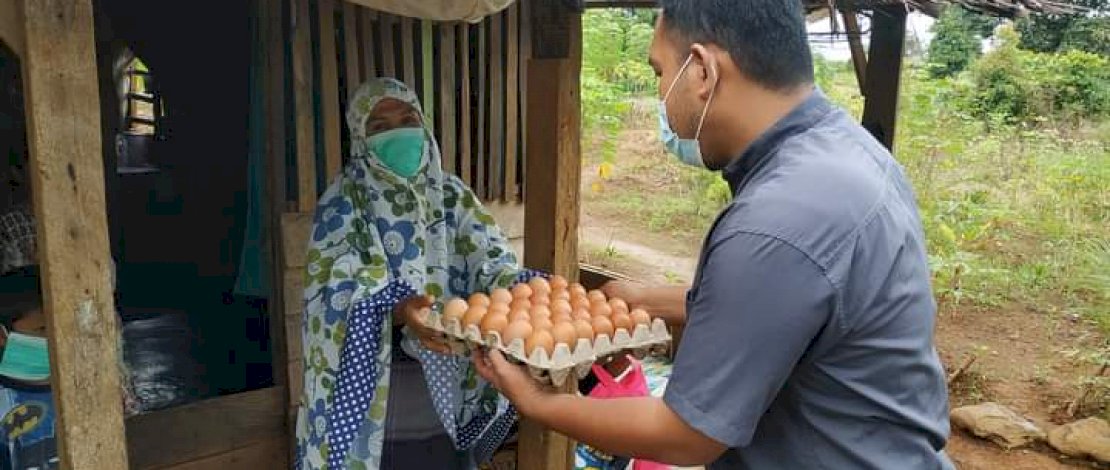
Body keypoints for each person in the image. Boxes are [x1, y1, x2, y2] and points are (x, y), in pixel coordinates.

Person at [474, 1, 954, 469]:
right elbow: (786, 306)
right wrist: (646, 300)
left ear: (702, 70)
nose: (661, 94)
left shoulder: (776, 219)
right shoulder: (846, 152)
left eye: (660, 71)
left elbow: (686, 436)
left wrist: (538, 403)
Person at [295, 78, 529, 470]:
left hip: (448, 390)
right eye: (380, 126)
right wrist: (401, 309)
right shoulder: (344, 203)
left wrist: (518, 288)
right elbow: (335, 290)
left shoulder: (451, 195)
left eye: (408, 120)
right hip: (379, 399)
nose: (398, 133)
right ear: (360, 137)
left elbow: (490, 257)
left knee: (443, 458)